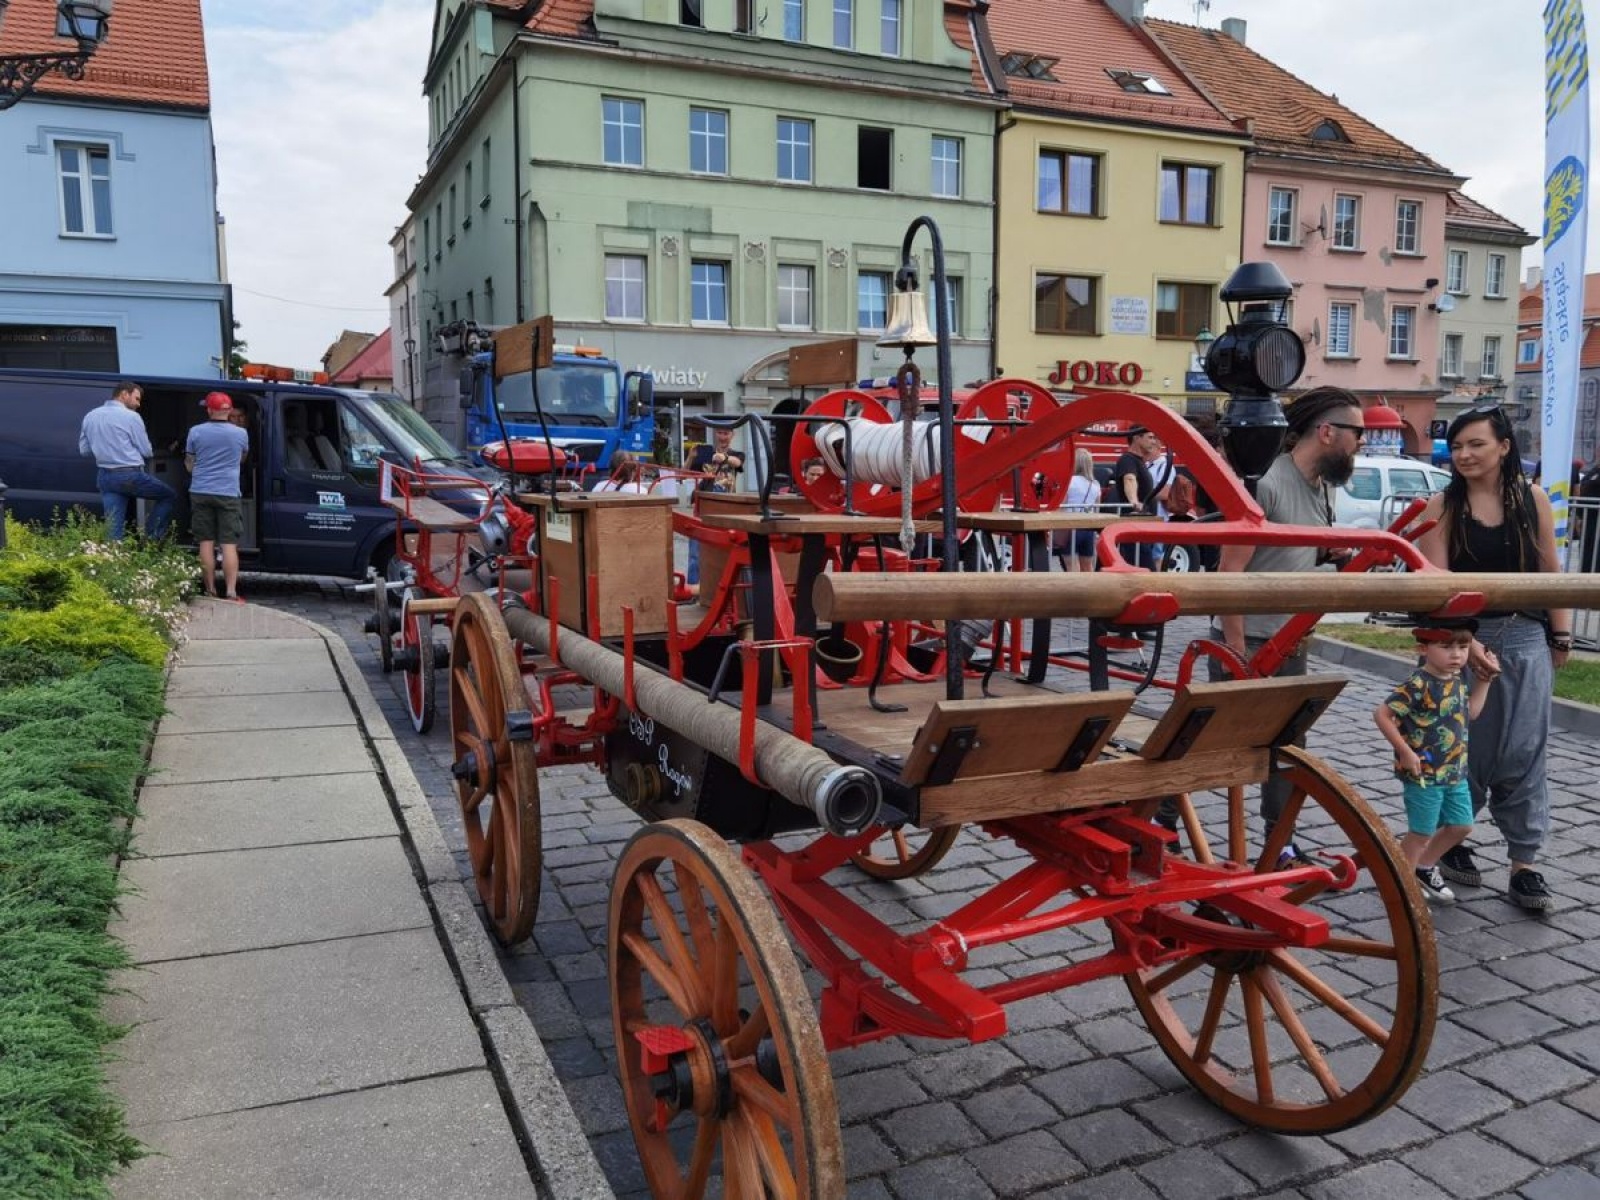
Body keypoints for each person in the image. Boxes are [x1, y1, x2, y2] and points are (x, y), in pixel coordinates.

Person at [1415, 405, 1570, 912]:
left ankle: (1524, 864)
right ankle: (1449, 841)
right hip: (1457, 645)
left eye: (1475, 444)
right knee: (1459, 750)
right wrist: (1467, 644)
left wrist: (1561, 636)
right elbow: (1435, 584)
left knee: (1525, 754)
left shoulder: (1534, 500)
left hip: (1525, 639)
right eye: (1457, 446)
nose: (1463, 454)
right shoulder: (1441, 505)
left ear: (1504, 446)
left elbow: (1551, 571)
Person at [1210, 386, 1366, 865]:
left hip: (1291, 639)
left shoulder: (1321, 486)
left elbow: (1292, 553)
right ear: (1327, 432)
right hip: (1251, 642)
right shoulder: (1267, 482)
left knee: (1288, 750)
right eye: (1357, 434)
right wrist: (1236, 653)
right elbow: (1229, 572)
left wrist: (1329, 554)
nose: (1361, 444)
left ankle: (1281, 845)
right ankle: (1165, 820)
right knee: (1218, 748)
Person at [1373, 618, 1497, 904]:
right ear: (1424, 648)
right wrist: (1404, 751)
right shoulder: (1418, 683)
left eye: (1463, 647)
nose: (1456, 654)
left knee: (1461, 826)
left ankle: (1423, 867)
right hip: (1423, 772)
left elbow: (1472, 713)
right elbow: (1382, 714)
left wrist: (1485, 681)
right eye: (1446, 646)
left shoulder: (1457, 681)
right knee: (1421, 831)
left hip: (1455, 772)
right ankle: (1401, 888)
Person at [77, 380, 176, 541]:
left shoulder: (90, 415)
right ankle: (151, 539)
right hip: (130, 475)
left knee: (113, 528)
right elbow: (147, 451)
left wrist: (105, 448)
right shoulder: (131, 417)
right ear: (124, 394)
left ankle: (114, 559)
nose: (138, 404)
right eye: (136, 399)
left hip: (105, 477)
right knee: (168, 496)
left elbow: (84, 451)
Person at [185, 391, 250, 601]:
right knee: (228, 544)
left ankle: (210, 589)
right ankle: (231, 591)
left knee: (205, 542)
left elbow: (189, 464)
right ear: (229, 410)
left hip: (201, 491)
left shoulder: (195, 432)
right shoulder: (241, 434)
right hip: (228, 492)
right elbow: (242, 459)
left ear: (209, 410)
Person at [684, 427, 744, 585]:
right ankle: (693, 586)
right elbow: (684, 473)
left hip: (725, 506)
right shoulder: (706, 454)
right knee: (695, 549)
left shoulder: (736, 454)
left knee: (722, 549)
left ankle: (720, 583)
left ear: (732, 435)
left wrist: (723, 457)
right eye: (720, 432)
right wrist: (691, 457)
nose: (722, 436)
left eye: (726, 433)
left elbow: (737, 463)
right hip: (703, 504)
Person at [1114, 425, 1164, 567]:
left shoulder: (1140, 461)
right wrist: (1134, 502)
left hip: (1141, 531)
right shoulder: (1128, 460)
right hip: (1134, 531)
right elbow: (1129, 479)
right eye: (1150, 437)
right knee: (1147, 573)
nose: (1154, 442)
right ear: (1136, 437)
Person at [1054, 448, 1100, 573]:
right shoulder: (1095, 484)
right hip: (1088, 528)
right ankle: (1089, 591)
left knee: (1072, 567)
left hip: (1070, 527)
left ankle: (1073, 592)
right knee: (1088, 567)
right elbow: (1096, 508)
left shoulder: (1069, 482)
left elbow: (1062, 506)